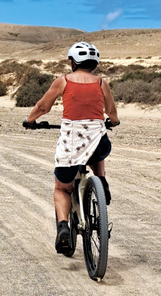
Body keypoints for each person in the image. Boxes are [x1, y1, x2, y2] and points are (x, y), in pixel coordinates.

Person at [23, 41, 120, 254]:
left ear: (73, 62)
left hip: (71, 143)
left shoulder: (63, 81)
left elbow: (43, 107)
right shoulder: (102, 83)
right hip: (98, 144)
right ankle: (101, 180)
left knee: (61, 188)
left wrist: (30, 120)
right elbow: (111, 112)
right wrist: (112, 121)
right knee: (96, 141)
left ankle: (64, 227)